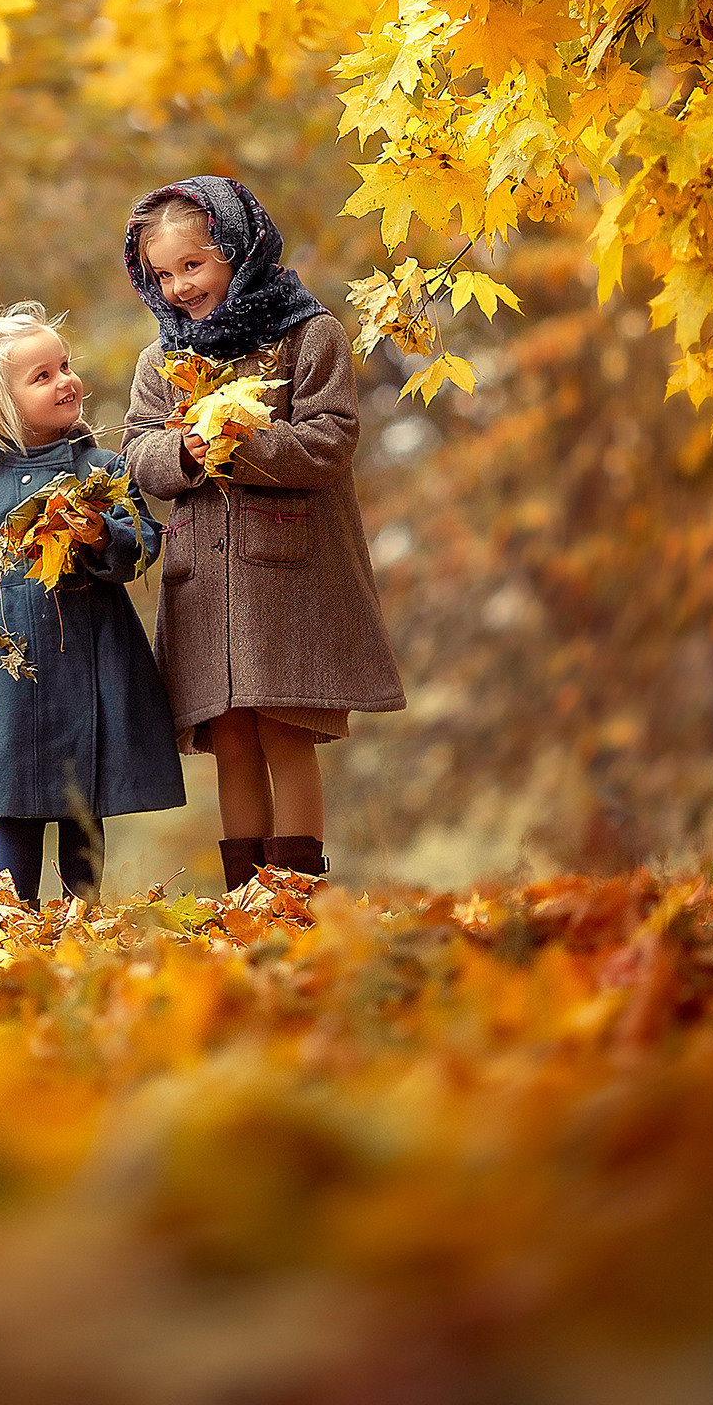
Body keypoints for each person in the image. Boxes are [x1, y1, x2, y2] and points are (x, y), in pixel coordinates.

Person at [122, 177, 404, 891]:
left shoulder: (311, 336)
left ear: (239, 250)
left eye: (194, 264)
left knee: (285, 730)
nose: (180, 286)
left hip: (288, 576)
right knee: (233, 740)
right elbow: (140, 455)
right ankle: (245, 895)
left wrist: (238, 440)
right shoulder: (161, 363)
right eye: (164, 273)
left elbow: (330, 442)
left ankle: (297, 890)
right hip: (204, 585)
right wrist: (182, 452)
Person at [0, 301, 184, 905]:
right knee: (19, 790)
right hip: (11, 665)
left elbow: (140, 547)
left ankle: (83, 909)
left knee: (82, 794)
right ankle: (17, 911)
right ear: (1, 404)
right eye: (43, 376)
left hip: (92, 655)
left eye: (65, 365)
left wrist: (99, 534)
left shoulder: (104, 470)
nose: (66, 380)